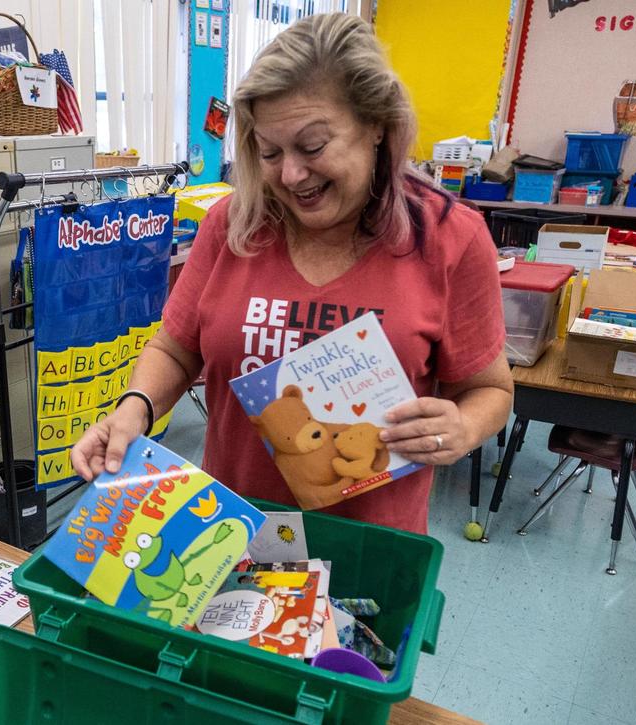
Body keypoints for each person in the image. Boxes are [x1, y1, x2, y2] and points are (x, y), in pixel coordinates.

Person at [70, 12, 512, 534]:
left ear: (376, 126)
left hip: (371, 544)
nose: (291, 175)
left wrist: (460, 428)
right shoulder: (232, 227)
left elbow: (492, 390)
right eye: (270, 152)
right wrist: (135, 410)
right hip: (232, 535)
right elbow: (175, 348)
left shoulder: (447, 238)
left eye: (313, 146)